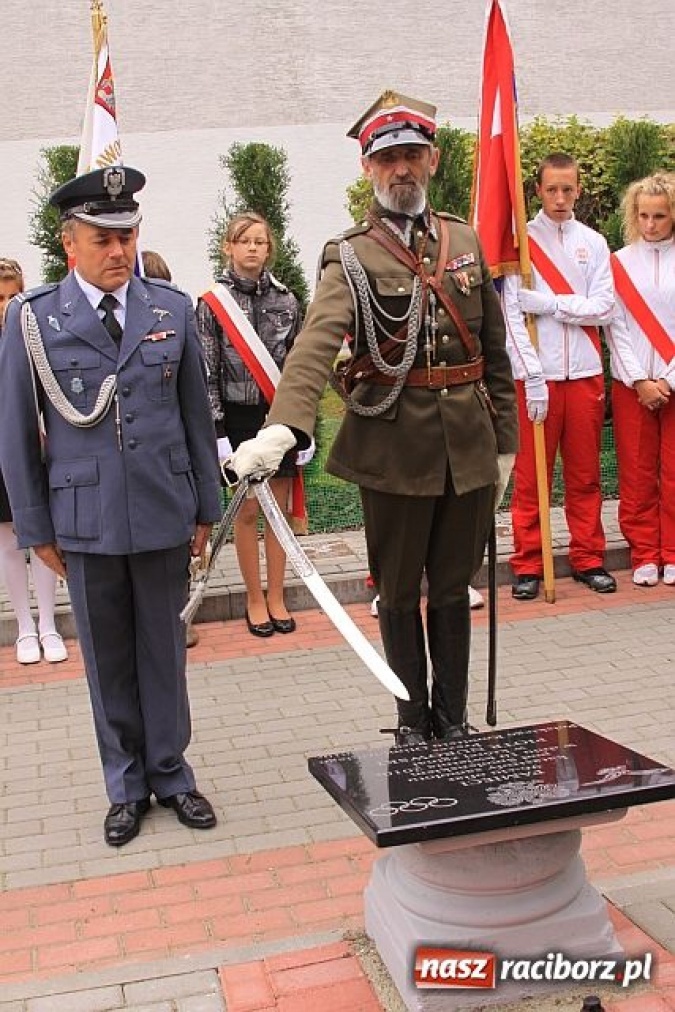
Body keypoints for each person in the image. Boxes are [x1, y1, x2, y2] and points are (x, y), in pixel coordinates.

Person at [229, 91, 518, 744]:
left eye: (412, 155)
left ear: (433, 160)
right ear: (367, 169)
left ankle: (454, 721)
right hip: (394, 451)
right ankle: (412, 724)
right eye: (388, 159)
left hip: (467, 450)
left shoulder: (465, 241)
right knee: (396, 590)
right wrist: (283, 425)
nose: (401, 170)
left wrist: (501, 446)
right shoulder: (350, 254)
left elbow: (493, 353)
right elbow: (315, 342)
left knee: (451, 588)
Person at [0, 167, 222, 846]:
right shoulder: (33, 319)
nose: (120, 250)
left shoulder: (169, 309)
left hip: (162, 507)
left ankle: (172, 774)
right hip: (85, 519)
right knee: (107, 657)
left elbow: (194, 417)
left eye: (128, 235)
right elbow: (14, 431)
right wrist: (35, 526)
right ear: (71, 244)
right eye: (104, 238)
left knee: (163, 652)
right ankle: (125, 785)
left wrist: (205, 510)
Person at [501, 152, 616, 601]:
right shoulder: (520, 244)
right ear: (538, 191)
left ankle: (589, 558)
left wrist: (550, 305)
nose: (561, 198)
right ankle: (529, 563)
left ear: (579, 189)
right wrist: (529, 373)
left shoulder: (594, 242)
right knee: (532, 479)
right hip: (538, 376)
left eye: (568, 189)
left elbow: (604, 307)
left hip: (585, 373)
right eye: (552, 189)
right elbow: (511, 313)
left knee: (585, 477)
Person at [196, 211, 303, 637]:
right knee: (247, 511)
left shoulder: (287, 300)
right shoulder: (210, 304)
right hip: (236, 419)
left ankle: (277, 594)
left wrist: (302, 426)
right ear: (229, 247)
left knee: (277, 512)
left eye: (260, 241)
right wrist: (218, 433)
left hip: (277, 414)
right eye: (245, 241)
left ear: (269, 247)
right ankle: (254, 598)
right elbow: (207, 373)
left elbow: (298, 367)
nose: (253, 248)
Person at [605, 173, 675, 586]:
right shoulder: (619, 261)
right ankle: (645, 552)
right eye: (643, 216)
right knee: (636, 473)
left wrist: (668, 377)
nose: (650, 225)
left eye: (660, 216)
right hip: (634, 386)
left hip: (672, 381)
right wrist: (639, 379)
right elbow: (615, 327)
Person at [0, 257, 68, 664]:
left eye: (13, 296)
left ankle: (49, 623)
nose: (6, 305)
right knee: (8, 538)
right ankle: (24, 626)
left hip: (36, 450)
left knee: (42, 533)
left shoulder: (33, 334)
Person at [141, 248, 199, 646]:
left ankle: (182, 618)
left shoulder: (178, 316)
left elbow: (192, 401)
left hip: (170, 466)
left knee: (176, 558)